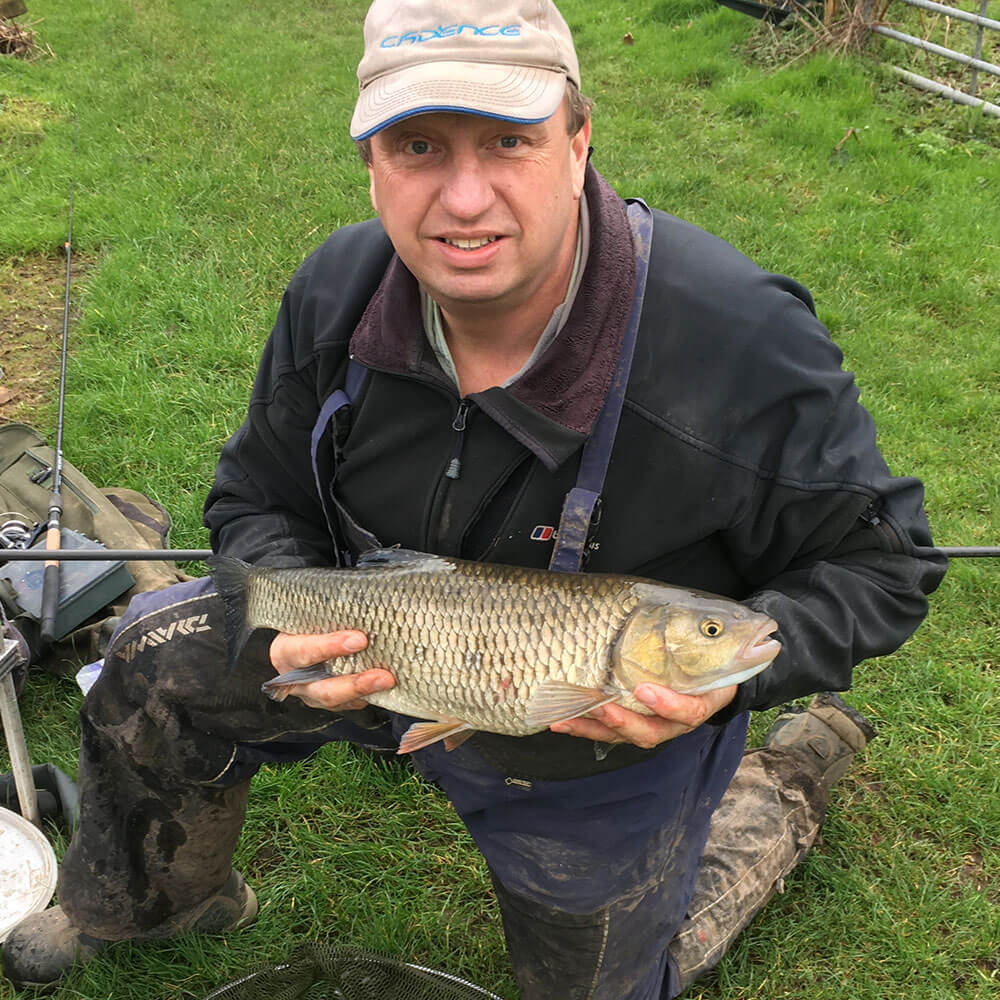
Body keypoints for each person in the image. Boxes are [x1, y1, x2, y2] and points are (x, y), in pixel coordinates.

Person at [2, 1, 946, 997]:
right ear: (371, 163)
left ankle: (781, 786)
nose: (462, 198)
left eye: (508, 141)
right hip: (370, 651)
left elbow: (885, 567)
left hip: (590, 742)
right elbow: (254, 495)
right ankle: (156, 902)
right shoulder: (337, 288)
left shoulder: (739, 343)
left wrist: (737, 676)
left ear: (578, 141)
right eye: (417, 146)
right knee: (150, 647)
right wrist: (282, 610)